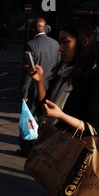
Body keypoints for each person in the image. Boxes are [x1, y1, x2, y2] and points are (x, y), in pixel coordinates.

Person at [27, 18, 99, 196]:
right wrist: (39, 81)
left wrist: (62, 116)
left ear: (83, 42)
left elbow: (93, 127)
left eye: (65, 41)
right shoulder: (64, 71)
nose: (60, 47)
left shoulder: (92, 77)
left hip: (74, 153)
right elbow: (45, 108)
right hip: (57, 147)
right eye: (59, 41)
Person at [17, 18, 60, 157]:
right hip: (50, 87)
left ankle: (26, 149)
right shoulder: (55, 44)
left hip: (34, 89)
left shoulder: (30, 45)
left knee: (28, 118)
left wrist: (24, 92)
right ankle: (45, 147)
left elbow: (28, 72)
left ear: (34, 29)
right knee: (45, 119)